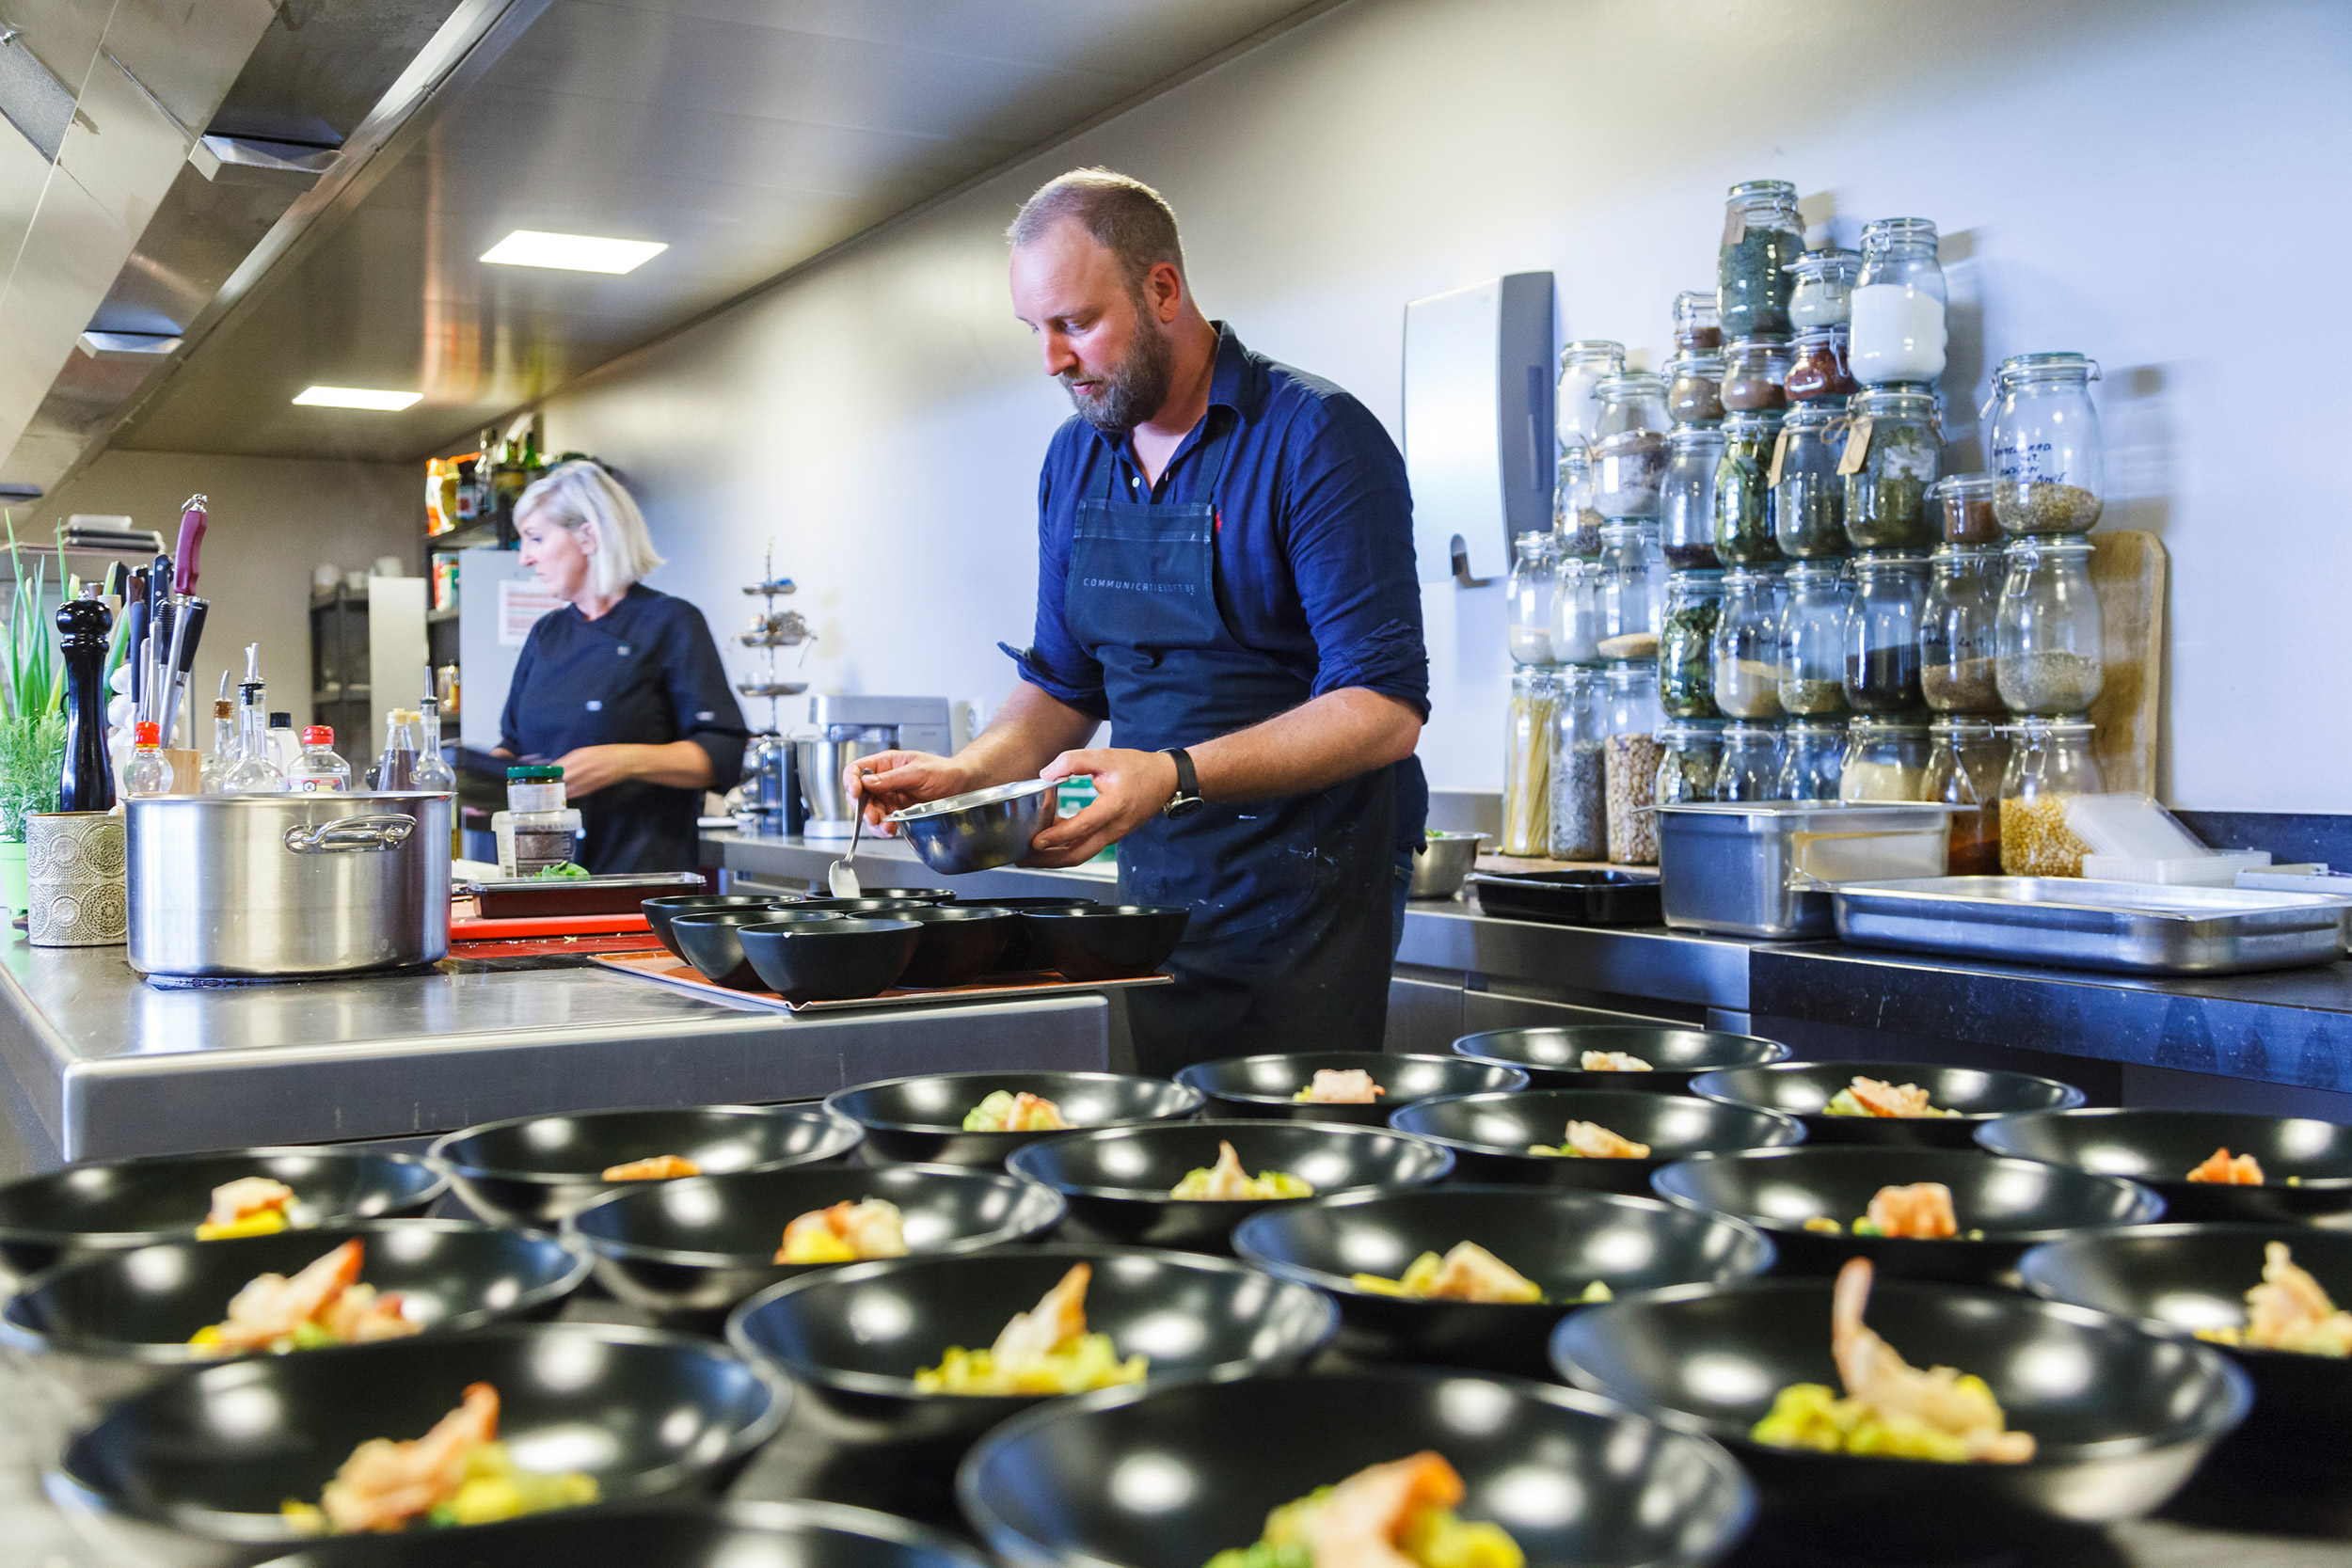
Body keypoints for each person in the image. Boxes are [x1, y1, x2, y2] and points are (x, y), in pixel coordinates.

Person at [855, 168, 1429, 1074]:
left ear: (1163, 289)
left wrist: (1169, 775)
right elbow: (1064, 683)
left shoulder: (1314, 436)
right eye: (1035, 331)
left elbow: (1384, 706)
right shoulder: (1074, 457)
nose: (1051, 359)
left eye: (1075, 323)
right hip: (1154, 894)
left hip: (1311, 888)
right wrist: (962, 776)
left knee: (1276, 1162)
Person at [496, 460, 746, 872]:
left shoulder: (671, 622)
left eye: (536, 539)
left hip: (637, 881)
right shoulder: (546, 633)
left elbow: (722, 753)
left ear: (588, 536)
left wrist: (622, 761)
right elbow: (510, 744)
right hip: (539, 879)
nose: (525, 558)